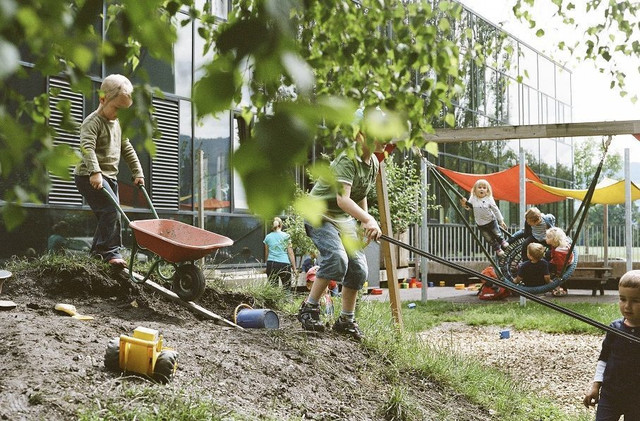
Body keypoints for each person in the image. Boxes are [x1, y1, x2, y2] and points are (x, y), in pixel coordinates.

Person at [297, 108, 382, 341]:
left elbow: (359, 193)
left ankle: (346, 320)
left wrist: (365, 221)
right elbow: (342, 198)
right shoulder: (348, 158)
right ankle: (309, 308)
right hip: (320, 215)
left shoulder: (373, 162)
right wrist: (368, 219)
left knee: (359, 269)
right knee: (337, 259)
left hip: (342, 219)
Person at [74, 74, 144, 268]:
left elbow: (127, 147)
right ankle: (110, 252)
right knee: (111, 210)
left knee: (108, 214)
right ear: (102, 99)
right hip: (89, 175)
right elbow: (87, 147)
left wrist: (137, 172)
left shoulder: (117, 123)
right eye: (117, 109)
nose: (119, 114)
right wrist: (95, 172)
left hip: (109, 176)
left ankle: (97, 252)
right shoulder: (92, 122)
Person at [583, 270, 640, 420]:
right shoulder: (614, 328)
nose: (627, 306)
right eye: (622, 299)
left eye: (635, 301)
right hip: (611, 395)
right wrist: (595, 386)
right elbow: (604, 359)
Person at [460, 179, 508, 257]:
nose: (482, 189)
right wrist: (464, 204)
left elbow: (495, 209)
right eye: (479, 187)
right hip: (481, 224)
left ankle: (502, 241)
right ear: (475, 190)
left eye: (484, 188)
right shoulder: (473, 197)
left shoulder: (489, 198)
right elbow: (468, 207)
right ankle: (498, 249)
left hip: (491, 221)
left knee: (497, 233)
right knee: (489, 239)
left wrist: (501, 221)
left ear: (487, 190)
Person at [263, 216, 297, 289]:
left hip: (271, 264)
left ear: (272, 226)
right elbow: (290, 253)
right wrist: (294, 268)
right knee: (287, 289)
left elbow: (266, 253)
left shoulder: (267, 237)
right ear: (281, 225)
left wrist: (267, 265)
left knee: (273, 290)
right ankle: (287, 300)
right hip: (284, 264)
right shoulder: (286, 236)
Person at [545, 226, 572, 297]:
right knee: (547, 255)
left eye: (548, 237)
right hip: (563, 260)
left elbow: (561, 265)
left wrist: (559, 273)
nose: (545, 238)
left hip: (563, 265)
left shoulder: (559, 251)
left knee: (546, 267)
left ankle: (561, 289)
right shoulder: (561, 244)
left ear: (554, 239)